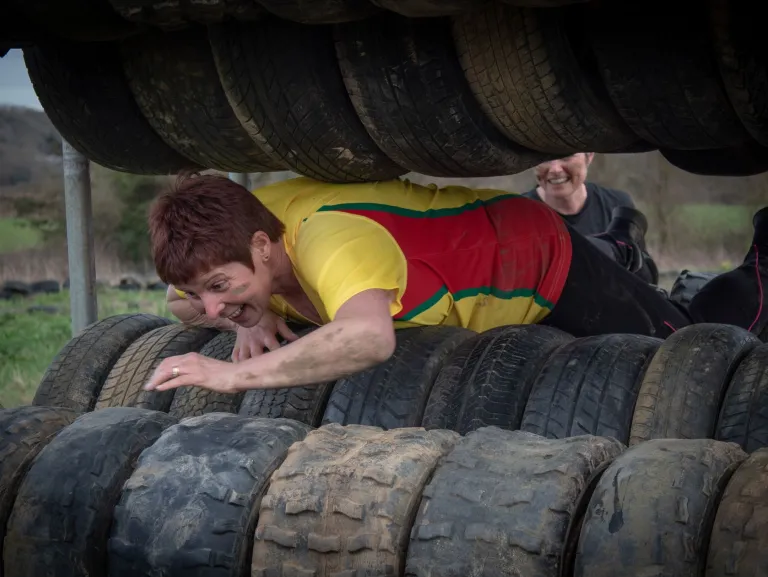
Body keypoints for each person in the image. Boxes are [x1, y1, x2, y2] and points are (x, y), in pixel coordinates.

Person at [142, 172, 768, 395]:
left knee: (694, 349)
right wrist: (237, 315)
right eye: (204, 293)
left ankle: (750, 259)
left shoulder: (333, 241)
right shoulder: (234, 231)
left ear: (262, 245)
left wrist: (230, 373)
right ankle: (617, 248)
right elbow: (180, 298)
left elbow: (367, 340)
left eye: (223, 286)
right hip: (465, 264)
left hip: (532, 258)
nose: (211, 304)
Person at [522, 152, 659, 284]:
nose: (555, 169)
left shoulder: (617, 204)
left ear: (589, 156)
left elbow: (645, 281)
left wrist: (623, 255)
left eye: (566, 156)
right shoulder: (515, 214)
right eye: (543, 157)